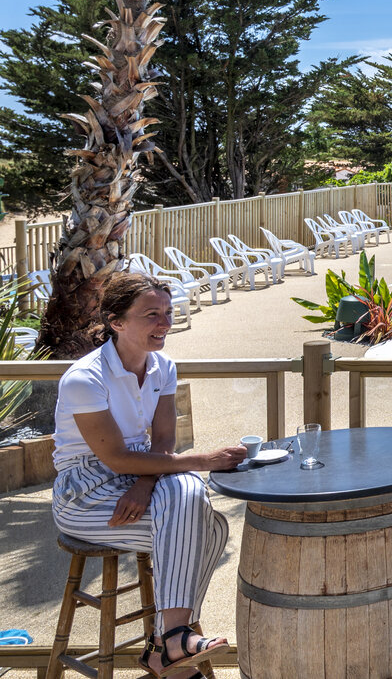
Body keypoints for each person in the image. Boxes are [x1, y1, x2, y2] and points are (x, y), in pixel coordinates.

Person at [51, 272, 246, 679]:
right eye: (151, 314)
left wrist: (145, 483)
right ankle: (170, 644)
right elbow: (117, 458)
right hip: (84, 490)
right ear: (116, 321)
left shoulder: (163, 367)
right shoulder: (85, 378)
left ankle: (168, 643)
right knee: (207, 529)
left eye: (168, 313)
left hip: (139, 472)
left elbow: (162, 440)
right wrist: (203, 459)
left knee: (192, 499)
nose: (164, 323)